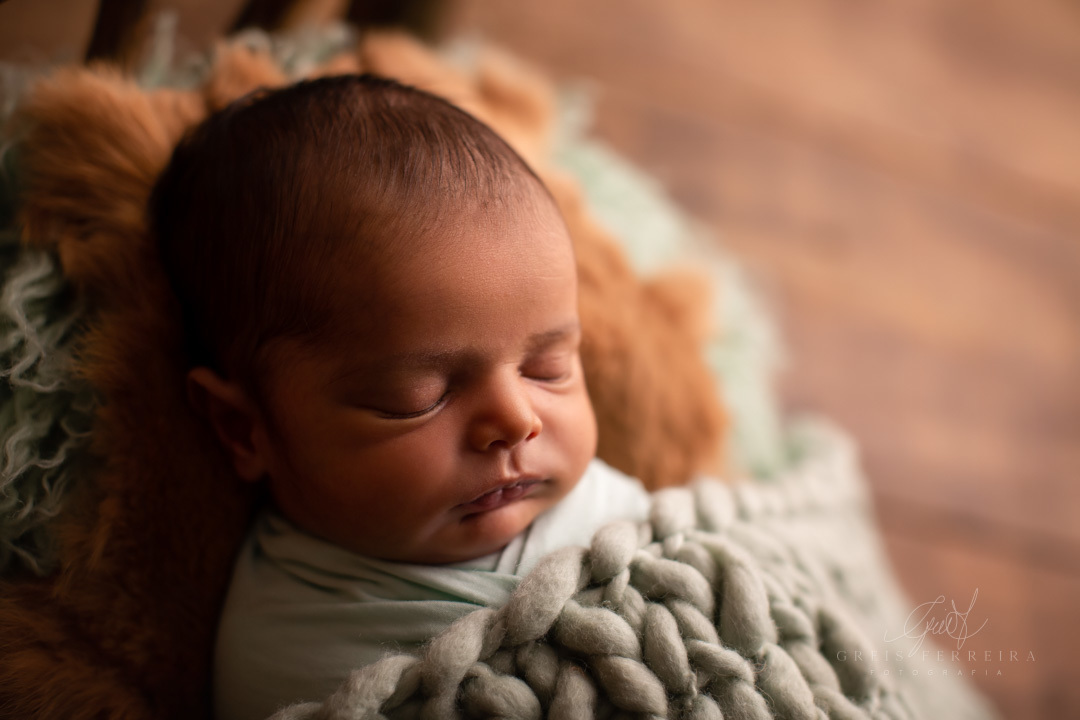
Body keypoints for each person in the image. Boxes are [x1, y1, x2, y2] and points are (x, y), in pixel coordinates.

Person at [150, 74, 651, 720]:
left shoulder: (609, 507)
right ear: (245, 429)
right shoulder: (298, 664)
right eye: (418, 398)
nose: (517, 420)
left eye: (548, 367)